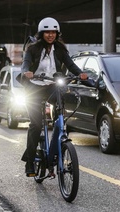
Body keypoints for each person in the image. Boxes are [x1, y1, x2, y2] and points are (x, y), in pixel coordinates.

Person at [20, 17, 88, 177]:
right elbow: (25, 63)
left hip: (51, 87)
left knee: (61, 120)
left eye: (53, 32)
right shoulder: (33, 49)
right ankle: (30, 162)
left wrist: (81, 74)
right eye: (47, 32)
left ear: (57, 34)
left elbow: (70, 65)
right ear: (42, 33)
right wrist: (26, 72)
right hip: (34, 89)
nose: (50, 35)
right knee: (36, 125)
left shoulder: (60, 49)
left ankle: (58, 147)